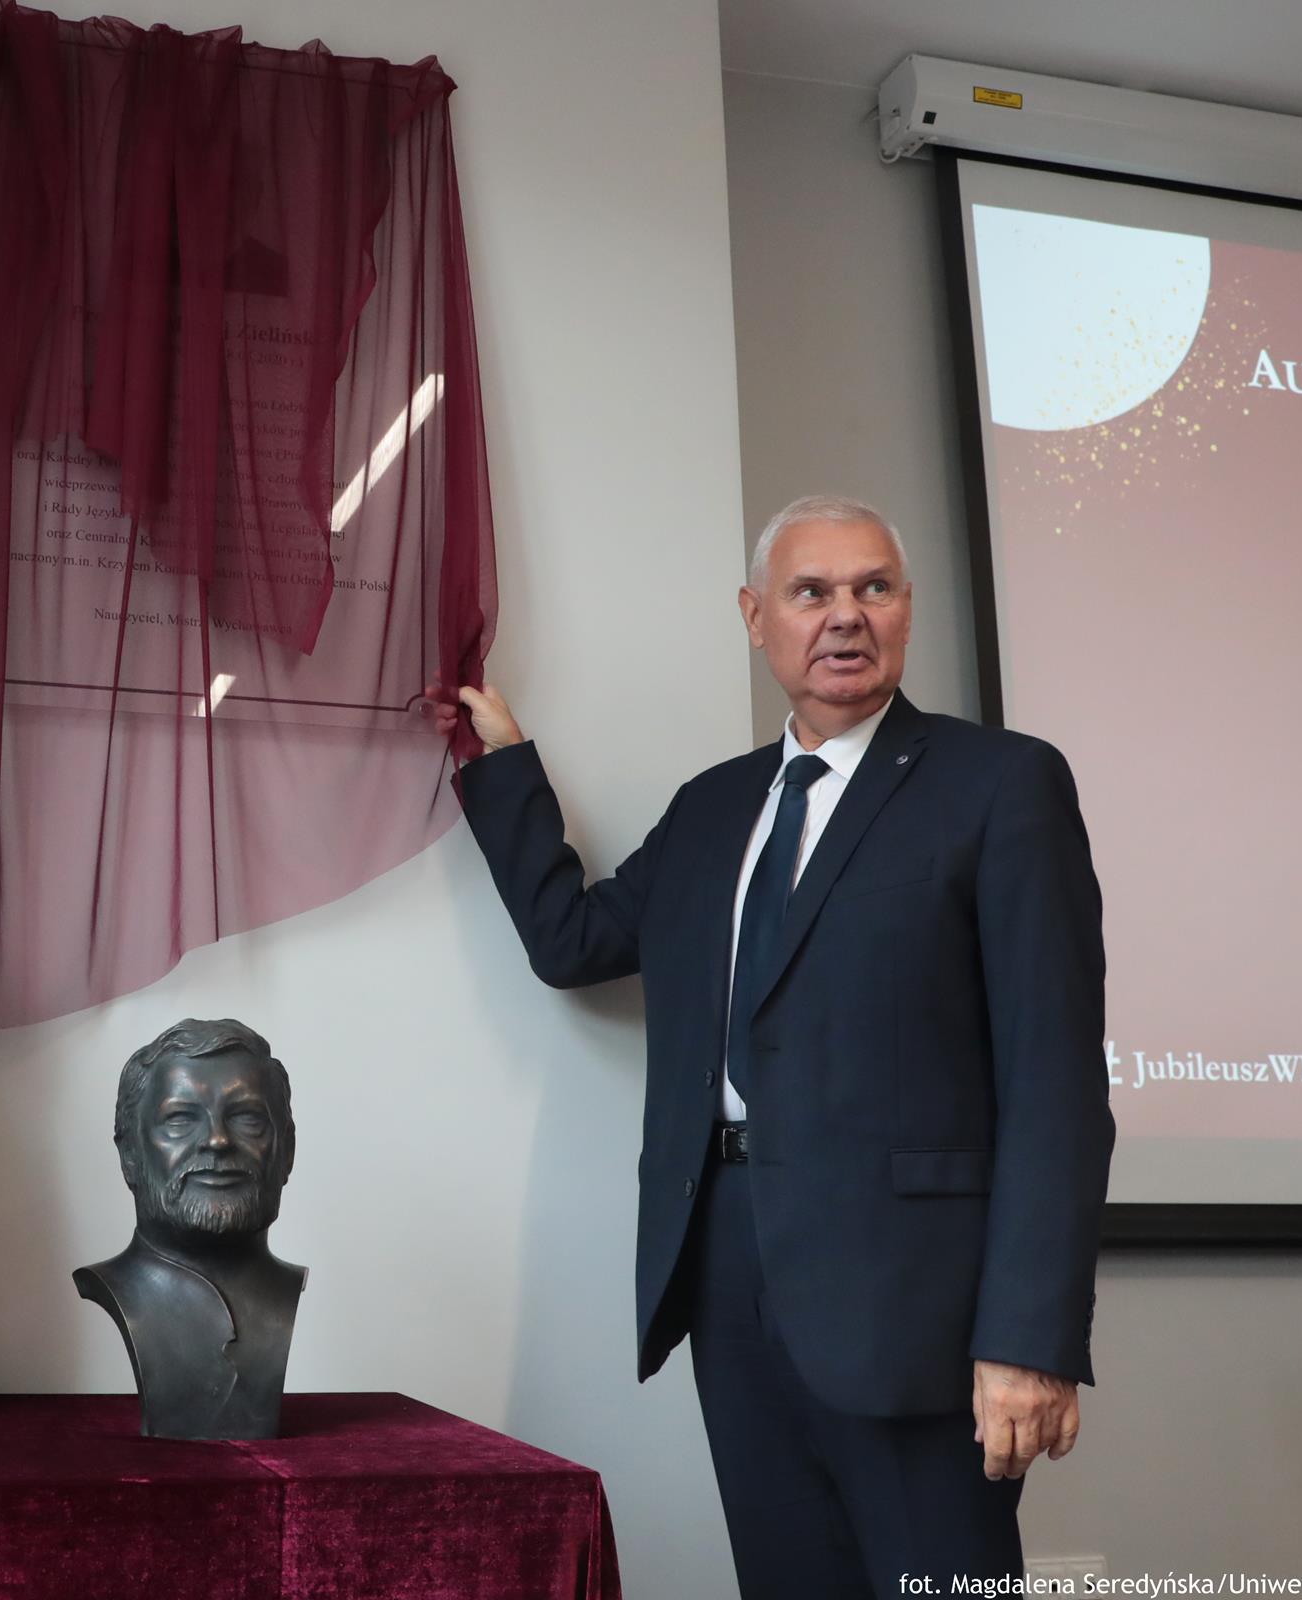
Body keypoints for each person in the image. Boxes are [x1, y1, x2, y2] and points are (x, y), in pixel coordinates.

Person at [430, 495, 1114, 1596]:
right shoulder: (713, 808)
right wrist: (505, 763)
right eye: (811, 592)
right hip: (726, 1265)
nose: (845, 615)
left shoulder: (1001, 782)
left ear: (906, 609)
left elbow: (1057, 1086)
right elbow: (574, 942)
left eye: (873, 587)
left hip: (915, 1299)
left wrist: (1030, 1337)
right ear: (757, 618)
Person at [74, 1018, 306, 1440]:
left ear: (286, 1150)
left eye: (247, 1118)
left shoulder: (288, 1293)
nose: (217, 1140)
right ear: (129, 1154)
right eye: (181, 1119)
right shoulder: (120, 1290)